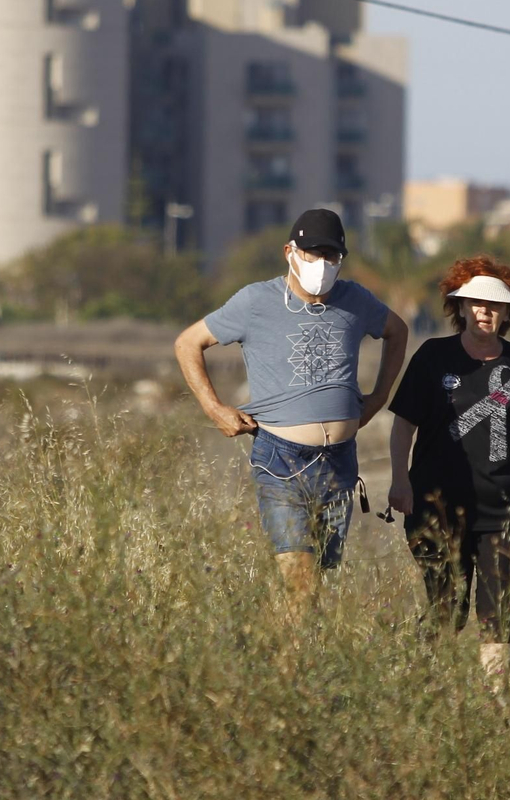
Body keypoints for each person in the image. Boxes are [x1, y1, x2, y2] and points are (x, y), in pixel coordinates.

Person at [174, 208, 409, 613]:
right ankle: (294, 669)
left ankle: (294, 665)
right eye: (312, 255)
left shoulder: (355, 300)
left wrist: (378, 397)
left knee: (318, 579)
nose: (321, 265)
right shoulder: (255, 301)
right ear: (290, 252)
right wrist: (215, 409)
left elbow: (397, 330)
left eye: (331, 257)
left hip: (339, 462)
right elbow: (187, 343)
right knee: (300, 581)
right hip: (281, 458)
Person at [386, 256, 510, 689]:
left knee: (498, 604)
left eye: (495, 305)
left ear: (509, 313)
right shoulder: (432, 357)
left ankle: (495, 698)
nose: (485, 311)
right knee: (447, 605)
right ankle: (425, 689)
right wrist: (399, 479)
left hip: (507, 506)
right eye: (476, 303)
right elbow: (402, 426)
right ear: (461, 308)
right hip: (437, 503)